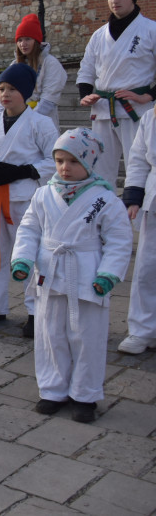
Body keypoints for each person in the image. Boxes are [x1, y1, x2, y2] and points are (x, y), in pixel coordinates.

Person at [11, 128, 132, 422]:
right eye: (60, 160)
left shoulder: (106, 200)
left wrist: (108, 274)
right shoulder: (42, 195)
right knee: (50, 334)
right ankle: (52, 389)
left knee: (86, 336)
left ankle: (84, 395)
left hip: (87, 274)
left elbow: (119, 240)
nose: (65, 168)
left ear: (89, 163)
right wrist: (23, 259)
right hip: (50, 272)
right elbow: (29, 229)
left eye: (73, 162)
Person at [0, 64, 59, 336]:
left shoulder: (41, 123)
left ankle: (36, 311)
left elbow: (54, 159)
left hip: (25, 198)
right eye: (1, 89)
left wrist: (24, 171)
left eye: (11, 89)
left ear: (26, 93)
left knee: (29, 255)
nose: (5, 94)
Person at [77, 0, 156, 186]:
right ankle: (105, 217)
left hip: (137, 111)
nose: (115, 0)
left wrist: (147, 95)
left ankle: (142, 217)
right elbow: (86, 69)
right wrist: (85, 95)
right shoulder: (99, 35)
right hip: (103, 109)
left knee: (139, 166)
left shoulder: (150, 30)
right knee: (100, 170)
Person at [119, 102, 156, 354]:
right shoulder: (150, 117)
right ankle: (142, 329)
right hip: (154, 199)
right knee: (147, 267)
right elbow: (138, 158)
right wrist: (133, 195)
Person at [10, 13, 66, 131]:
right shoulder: (14, 65)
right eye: (19, 40)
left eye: (27, 39)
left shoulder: (50, 63)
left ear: (36, 41)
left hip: (42, 123)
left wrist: (27, 120)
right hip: (17, 123)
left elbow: (49, 98)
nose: (23, 44)